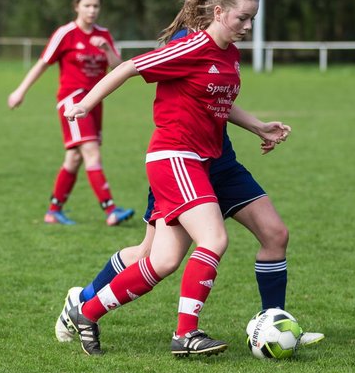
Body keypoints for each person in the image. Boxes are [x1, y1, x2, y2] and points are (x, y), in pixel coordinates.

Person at [55, 25, 322, 350]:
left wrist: (257, 126)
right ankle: (84, 302)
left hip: (219, 163)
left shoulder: (228, 49)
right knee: (153, 255)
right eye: (242, 16)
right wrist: (85, 102)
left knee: (275, 234)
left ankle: (274, 320)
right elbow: (134, 70)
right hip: (181, 161)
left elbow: (217, 101)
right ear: (217, 10)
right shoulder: (188, 43)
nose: (247, 25)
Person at [6, 0, 135, 226]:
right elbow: (42, 64)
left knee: (74, 158)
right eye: (87, 5)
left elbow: (119, 68)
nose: (92, 10)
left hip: (95, 101)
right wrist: (20, 91)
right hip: (73, 102)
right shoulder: (65, 34)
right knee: (91, 152)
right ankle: (111, 210)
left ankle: (54, 210)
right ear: (76, 6)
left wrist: (106, 49)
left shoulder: (104, 35)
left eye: (96, 6)